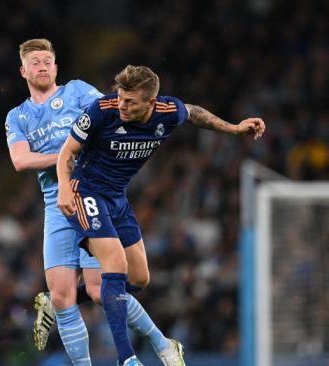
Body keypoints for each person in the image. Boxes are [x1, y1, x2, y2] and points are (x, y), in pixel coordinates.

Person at [55, 64, 266, 366]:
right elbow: (67, 152)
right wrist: (64, 187)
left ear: (151, 103)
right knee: (115, 265)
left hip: (117, 198)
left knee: (139, 278)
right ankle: (127, 358)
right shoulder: (102, 109)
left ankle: (61, 299)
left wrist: (233, 128)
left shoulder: (167, 112)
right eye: (121, 97)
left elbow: (193, 112)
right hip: (85, 191)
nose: (122, 105)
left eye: (131, 101)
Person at [6, 39, 185, 366]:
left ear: (56, 68)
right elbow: (20, 160)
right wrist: (65, 155)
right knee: (62, 297)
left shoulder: (77, 91)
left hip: (92, 194)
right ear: (23, 71)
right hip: (57, 203)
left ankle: (163, 344)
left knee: (100, 289)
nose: (43, 66)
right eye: (35, 62)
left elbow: (109, 117)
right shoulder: (17, 116)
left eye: (48, 60)